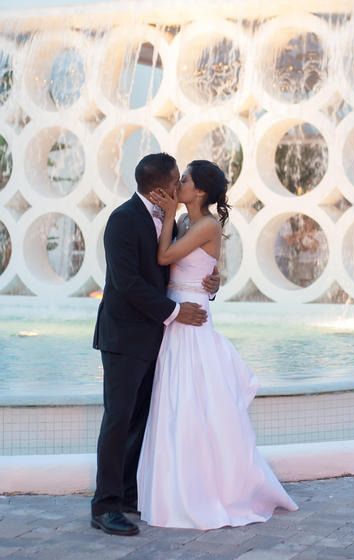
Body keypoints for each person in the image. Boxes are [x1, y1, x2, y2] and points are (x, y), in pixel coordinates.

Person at [137, 160, 298, 529]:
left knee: (195, 404)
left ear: (202, 192)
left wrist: (168, 212)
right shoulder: (182, 223)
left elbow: (165, 257)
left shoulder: (206, 223)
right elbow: (183, 269)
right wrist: (172, 219)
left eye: (186, 180)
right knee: (175, 403)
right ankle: (172, 488)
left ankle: (205, 491)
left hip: (192, 323)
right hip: (178, 318)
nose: (179, 183)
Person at [91, 153, 220, 536]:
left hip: (157, 338)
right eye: (177, 180)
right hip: (125, 336)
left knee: (139, 421)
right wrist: (175, 311)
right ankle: (105, 506)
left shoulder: (174, 221)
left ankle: (129, 494)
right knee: (118, 420)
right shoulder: (123, 219)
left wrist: (212, 281)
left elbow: (185, 266)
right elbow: (127, 284)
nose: (181, 186)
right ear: (162, 187)